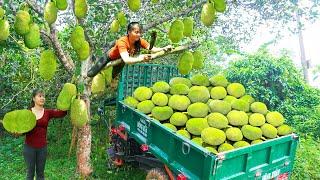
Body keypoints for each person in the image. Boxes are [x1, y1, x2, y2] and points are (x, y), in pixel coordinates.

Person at [87, 22, 172, 78]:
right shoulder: (122, 41)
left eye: (140, 32)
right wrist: (141, 58)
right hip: (110, 57)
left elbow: (152, 48)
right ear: (128, 32)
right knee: (90, 74)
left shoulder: (139, 41)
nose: (139, 35)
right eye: (136, 32)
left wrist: (163, 48)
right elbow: (127, 60)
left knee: (113, 76)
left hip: (121, 59)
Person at [18, 89, 67, 180]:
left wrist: (70, 100)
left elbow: (62, 113)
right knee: (30, 173)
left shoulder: (47, 112)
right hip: (29, 148)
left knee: (40, 174)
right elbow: (22, 129)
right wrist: (17, 132)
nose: (42, 98)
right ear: (33, 98)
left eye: (43, 96)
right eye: (40, 96)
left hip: (42, 148)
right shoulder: (27, 113)